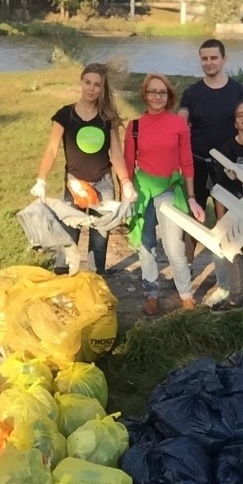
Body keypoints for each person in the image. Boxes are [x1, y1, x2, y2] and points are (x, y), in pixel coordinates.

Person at [30, 62, 136, 274]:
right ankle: (63, 277)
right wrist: (41, 180)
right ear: (81, 82)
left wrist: (125, 183)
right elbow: (51, 150)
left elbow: (115, 153)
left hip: (103, 184)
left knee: (99, 239)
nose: (91, 88)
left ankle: (96, 278)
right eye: (87, 82)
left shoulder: (107, 117)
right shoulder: (64, 115)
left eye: (97, 85)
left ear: (102, 88)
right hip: (74, 184)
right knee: (68, 235)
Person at [125, 74, 205, 315]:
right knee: (146, 244)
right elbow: (129, 163)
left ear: (168, 95)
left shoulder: (178, 124)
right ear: (145, 95)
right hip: (143, 192)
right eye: (152, 92)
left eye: (162, 92)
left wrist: (191, 197)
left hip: (170, 191)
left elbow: (187, 162)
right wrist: (125, 197)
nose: (157, 97)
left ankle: (186, 295)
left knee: (173, 247)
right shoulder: (135, 126)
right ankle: (151, 294)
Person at [178, 39, 243, 285]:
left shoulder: (239, 91)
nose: (209, 63)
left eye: (214, 58)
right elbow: (181, 121)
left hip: (229, 167)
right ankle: (185, 268)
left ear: (224, 59)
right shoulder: (191, 92)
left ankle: (232, 272)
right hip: (198, 163)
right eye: (204, 58)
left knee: (229, 221)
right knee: (193, 217)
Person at [211, 100, 243, 310]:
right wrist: (222, 220)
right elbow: (220, 189)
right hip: (234, 207)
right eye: (240, 115)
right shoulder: (228, 148)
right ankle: (235, 294)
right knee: (233, 248)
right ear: (235, 123)